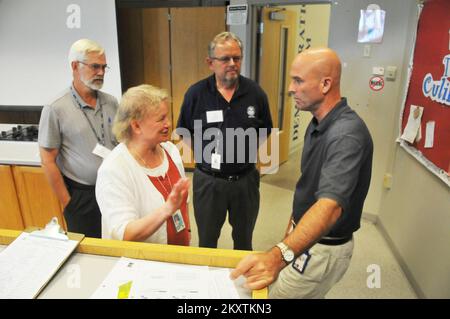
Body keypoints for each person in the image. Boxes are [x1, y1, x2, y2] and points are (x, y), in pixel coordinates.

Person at [231, 48, 373, 298]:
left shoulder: (346, 135)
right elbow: (307, 190)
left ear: (326, 84)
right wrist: (289, 236)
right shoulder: (318, 122)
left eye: (298, 80)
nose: (290, 88)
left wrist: (278, 257)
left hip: (321, 249)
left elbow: (329, 207)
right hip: (306, 242)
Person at [176, 31, 273, 250]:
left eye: (236, 58)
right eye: (225, 59)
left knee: (244, 241)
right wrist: (204, 156)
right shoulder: (197, 94)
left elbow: (264, 129)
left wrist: (243, 153)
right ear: (210, 63)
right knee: (208, 242)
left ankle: (241, 283)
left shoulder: (255, 93)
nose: (232, 63)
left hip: (245, 181)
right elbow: (183, 130)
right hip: (209, 182)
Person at [38, 39, 119, 238]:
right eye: (95, 66)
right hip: (82, 197)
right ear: (75, 66)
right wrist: (68, 203)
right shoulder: (55, 108)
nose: (101, 72)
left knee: (118, 246)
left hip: (114, 190)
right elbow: (48, 161)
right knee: (90, 254)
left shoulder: (111, 102)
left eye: (103, 67)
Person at [95, 84, 190, 245]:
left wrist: (187, 231)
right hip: (142, 264)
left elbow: (182, 205)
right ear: (136, 126)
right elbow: (125, 233)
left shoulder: (170, 150)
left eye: (167, 116)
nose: (168, 124)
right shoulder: (114, 169)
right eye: (161, 119)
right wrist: (167, 209)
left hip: (178, 256)